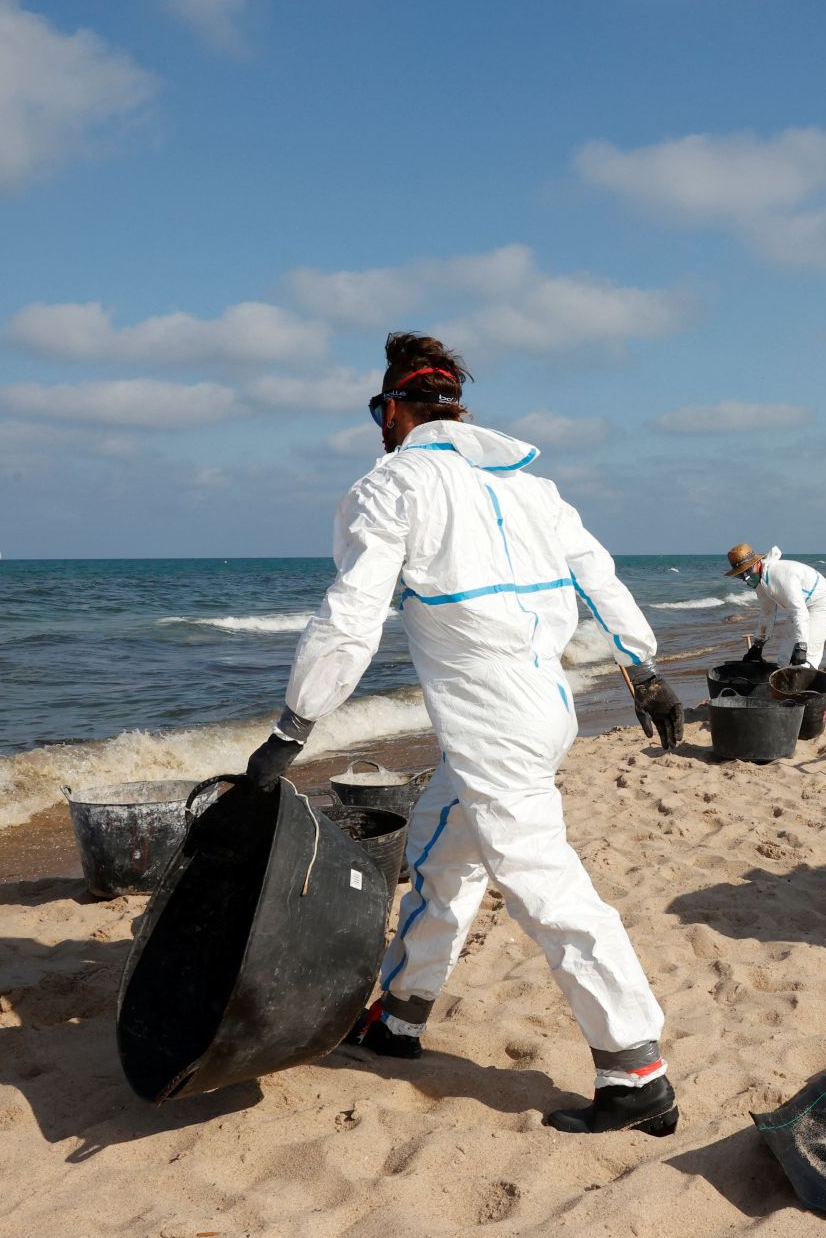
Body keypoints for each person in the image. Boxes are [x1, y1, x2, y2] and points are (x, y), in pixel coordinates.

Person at [242, 332, 686, 1135]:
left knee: (546, 887)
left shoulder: (393, 484)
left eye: (381, 411)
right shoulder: (534, 489)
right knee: (445, 854)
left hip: (492, 722)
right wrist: (643, 672)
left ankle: (634, 1065)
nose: (380, 428)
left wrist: (293, 725)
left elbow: (351, 618)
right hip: (548, 707)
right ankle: (402, 1016)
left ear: (397, 408)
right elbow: (601, 577)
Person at [726, 543, 826, 668]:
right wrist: (758, 645)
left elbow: (799, 611)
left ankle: (804, 681)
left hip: (821, 604)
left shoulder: (779, 576)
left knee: (806, 656)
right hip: (800, 608)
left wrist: (801, 645)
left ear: (757, 563)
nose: (745, 578)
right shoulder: (760, 582)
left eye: (747, 571)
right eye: (740, 575)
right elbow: (767, 613)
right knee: (784, 659)